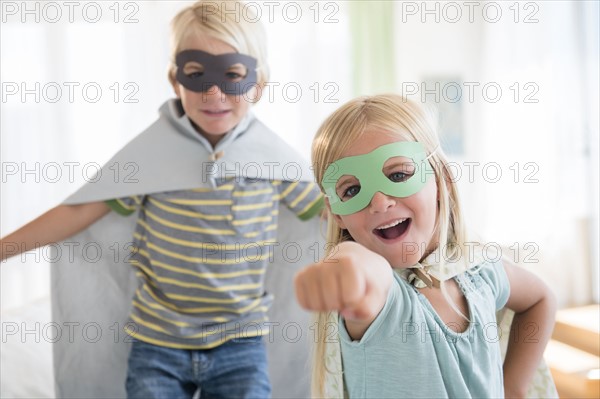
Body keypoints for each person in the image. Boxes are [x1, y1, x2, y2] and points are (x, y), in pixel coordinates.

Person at [1, 1, 323, 398]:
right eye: (196, 74)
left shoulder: (271, 162)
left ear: (258, 84)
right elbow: (83, 208)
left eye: (233, 74)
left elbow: (330, 214)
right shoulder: (152, 155)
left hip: (240, 341)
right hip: (158, 341)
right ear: (175, 81)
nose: (214, 91)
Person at [294, 94, 556, 398]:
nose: (379, 202)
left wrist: (514, 387)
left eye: (398, 175)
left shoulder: (479, 272)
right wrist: (344, 267)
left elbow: (540, 299)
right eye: (352, 189)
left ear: (441, 179)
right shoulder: (384, 302)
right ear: (336, 212)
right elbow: (365, 273)